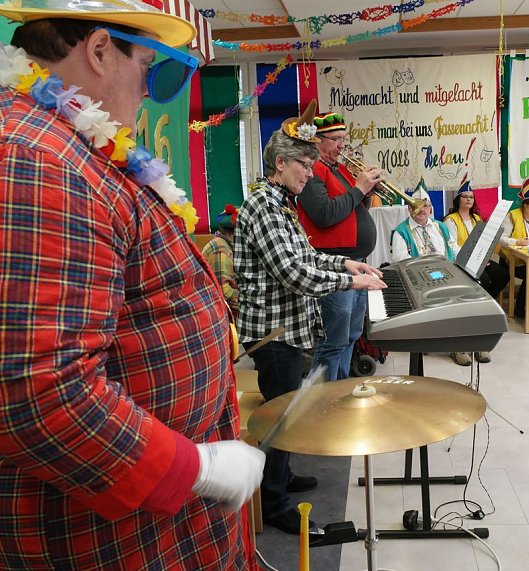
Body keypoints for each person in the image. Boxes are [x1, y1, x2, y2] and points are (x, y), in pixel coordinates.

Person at [0, 2, 265, 569]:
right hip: (84, 533)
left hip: (130, 521)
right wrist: (195, 469)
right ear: (100, 50)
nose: (148, 90)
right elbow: (38, 392)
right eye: (150, 67)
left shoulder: (55, 141)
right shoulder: (33, 162)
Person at [234, 101, 386, 534]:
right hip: (273, 333)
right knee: (279, 416)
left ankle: (281, 475)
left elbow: (307, 256)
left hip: (287, 328)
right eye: (303, 164)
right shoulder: (264, 206)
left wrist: (345, 264)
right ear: (280, 164)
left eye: (311, 163)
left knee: (288, 411)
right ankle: (274, 502)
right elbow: (294, 273)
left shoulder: (281, 202)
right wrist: (351, 283)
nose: (310, 171)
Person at [296, 110, 380, 381]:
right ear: (317, 140)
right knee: (333, 339)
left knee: (352, 334)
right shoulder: (312, 172)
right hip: (334, 264)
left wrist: (366, 193)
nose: (342, 145)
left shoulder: (339, 169)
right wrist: (358, 190)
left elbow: (352, 209)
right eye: (335, 139)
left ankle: (341, 387)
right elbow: (324, 215)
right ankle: (323, 396)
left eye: (344, 138)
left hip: (356, 263)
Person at [390, 194, 473, 366]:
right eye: (418, 206)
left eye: (426, 206)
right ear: (409, 208)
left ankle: (474, 342)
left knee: (470, 292)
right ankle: (458, 346)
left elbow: (454, 249)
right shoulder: (401, 231)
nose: (422, 210)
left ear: (431, 209)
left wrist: (467, 260)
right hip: (419, 278)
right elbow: (400, 261)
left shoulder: (440, 226)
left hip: (447, 272)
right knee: (451, 297)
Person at [442, 175, 509, 363]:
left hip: (479, 260)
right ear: (458, 199)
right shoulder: (450, 220)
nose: (468, 200)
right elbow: (453, 247)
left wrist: (484, 257)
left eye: (471, 197)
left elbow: (484, 241)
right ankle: (471, 332)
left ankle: (487, 306)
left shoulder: (477, 218)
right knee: (484, 281)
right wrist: (474, 258)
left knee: (502, 275)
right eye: (465, 197)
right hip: (460, 262)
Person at [499, 175, 529, 319]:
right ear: (525, 205)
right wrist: (517, 242)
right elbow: (501, 239)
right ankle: (520, 310)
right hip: (512, 261)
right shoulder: (512, 216)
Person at [202, 205, 240, 318]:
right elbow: (223, 292)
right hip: (220, 313)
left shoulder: (226, 245)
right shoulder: (220, 249)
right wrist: (248, 301)